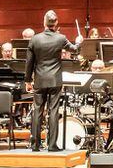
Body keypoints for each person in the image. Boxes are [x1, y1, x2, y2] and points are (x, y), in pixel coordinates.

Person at [25, 10, 82, 152]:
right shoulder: (61, 38)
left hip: (39, 79)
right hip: (55, 80)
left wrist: (27, 80)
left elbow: (29, 62)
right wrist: (78, 42)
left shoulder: (35, 39)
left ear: (44, 22)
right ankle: (52, 145)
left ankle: (35, 145)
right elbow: (75, 50)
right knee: (54, 111)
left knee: (37, 111)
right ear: (56, 23)